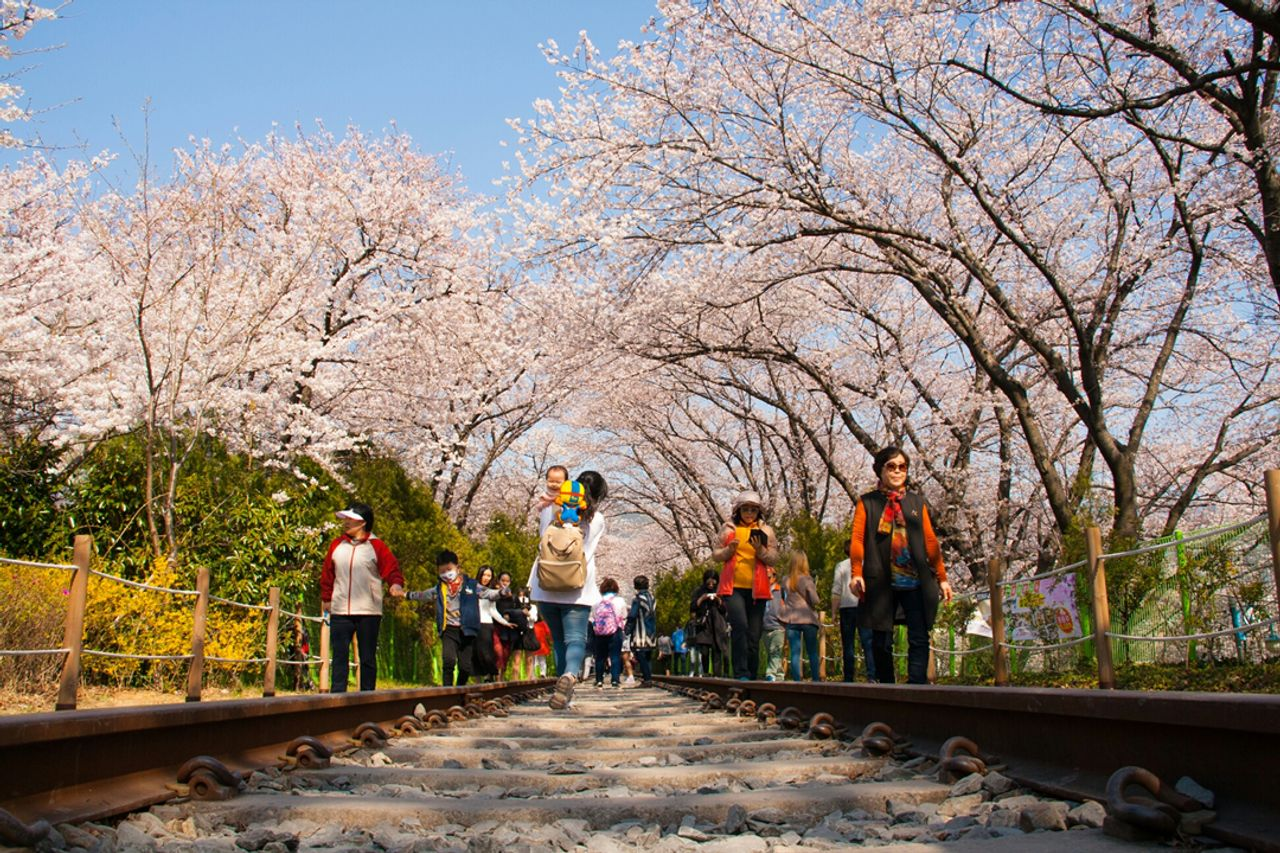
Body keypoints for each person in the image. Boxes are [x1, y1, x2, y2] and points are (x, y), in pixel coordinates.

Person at [850, 446, 954, 685]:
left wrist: (942, 578)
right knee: (881, 639)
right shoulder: (868, 502)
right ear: (880, 470)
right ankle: (887, 686)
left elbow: (930, 541)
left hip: (915, 580)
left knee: (919, 636)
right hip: (881, 580)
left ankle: (916, 685)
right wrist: (856, 573)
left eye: (902, 467)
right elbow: (857, 539)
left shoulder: (916, 502)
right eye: (891, 466)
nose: (897, 472)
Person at [531, 470, 609, 710]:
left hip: (546, 585)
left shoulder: (549, 509)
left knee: (559, 641)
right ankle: (569, 675)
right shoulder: (596, 519)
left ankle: (564, 691)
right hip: (577, 587)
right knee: (575, 639)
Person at [319, 503, 404, 693]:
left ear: (363, 523)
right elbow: (327, 574)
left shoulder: (377, 546)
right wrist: (327, 598)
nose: (346, 522)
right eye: (345, 519)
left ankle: (367, 696)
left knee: (367, 657)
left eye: (351, 519)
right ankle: (337, 696)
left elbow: (392, 569)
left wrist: (396, 584)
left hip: (368, 611)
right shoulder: (336, 545)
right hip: (340, 610)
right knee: (339, 656)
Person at [709, 490, 779, 680]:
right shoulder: (728, 529)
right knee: (740, 627)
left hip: (758, 589)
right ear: (738, 511)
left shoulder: (766, 531)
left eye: (753, 510)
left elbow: (774, 558)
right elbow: (716, 555)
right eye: (745, 509)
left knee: (754, 633)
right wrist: (729, 550)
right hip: (733, 587)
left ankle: (752, 672)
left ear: (759, 512)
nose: (749, 513)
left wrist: (760, 550)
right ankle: (741, 672)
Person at [406, 550, 499, 686]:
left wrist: (502, 593)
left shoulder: (471, 585)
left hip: (467, 630)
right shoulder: (440, 588)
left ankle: (460, 689)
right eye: (442, 571)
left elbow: (488, 593)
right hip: (448, 629)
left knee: (465, 667)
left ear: (457, 568)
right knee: (448, 661)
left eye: (449, 570)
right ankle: (447, 691)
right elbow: (424, 595)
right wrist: (407, 595)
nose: (446, 574)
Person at [831, 555, 876, 682]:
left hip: (846, 607)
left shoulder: (841, 565)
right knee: (867, 642)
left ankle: (849, 677)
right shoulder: (867, 564)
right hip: (864, 606)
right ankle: (872, 675)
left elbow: (836, 591)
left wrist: (833, 612)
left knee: (848, 644)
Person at [778, 551, 822, 681]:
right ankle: (816, 681)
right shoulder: (807, 579)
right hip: (808, 619)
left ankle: (797, 681)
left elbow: (783, 597)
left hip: (792, 619)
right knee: (812, 652)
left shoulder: (785, 580)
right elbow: (815, 600)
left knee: (795, 653)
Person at [690, 568, 729, 677]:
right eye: (709, 582)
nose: (711, 584)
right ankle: (706, 672)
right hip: (703, 625)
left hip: (717, 625)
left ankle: (717, 675)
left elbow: (725, 609)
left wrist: (718, 600)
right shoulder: (699, 591)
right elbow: (692, 607)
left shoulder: (721, 591)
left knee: (717, 650)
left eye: (713, 582)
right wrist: (702, 598)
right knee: (704, 651)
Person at [590, 577, 628, 688]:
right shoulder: (620, 601)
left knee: (600, 657)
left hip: (600, 633)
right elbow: (624, 615)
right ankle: (615, 680)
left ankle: (599, 680)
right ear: (616, 588)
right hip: (615, 631)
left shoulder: (596, 602)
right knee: (615, 656)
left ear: (602, 589)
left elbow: (593, 617)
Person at [627, 575, 657, 686]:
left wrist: (627, 629)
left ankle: (647, 679)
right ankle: (648, 678)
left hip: (641, 633)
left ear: (636, 586)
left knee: (641, 656)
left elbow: (632, 616)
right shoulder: (653, 598)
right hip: (651, 632)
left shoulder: (638, 599)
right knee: (648, 656)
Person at [761, 565, 786, 681]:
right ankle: (779, 676)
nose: (767, 579)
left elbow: (788, 605)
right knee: (772, 653)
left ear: (774, 577)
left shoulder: (781, 590)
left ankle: (770, 673)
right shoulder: (761, 590)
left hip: (778, 626)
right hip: (765, 626)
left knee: (775, 651)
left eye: (769, 577)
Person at [530, 613, 552, 677]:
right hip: (542, 645)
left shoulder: (530, 624)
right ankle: (543, 673)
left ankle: (533, 675)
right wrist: (550, 641)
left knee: (533, 661)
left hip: (532, 644)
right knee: (542, 660)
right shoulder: (543, 623)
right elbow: (548, 632)